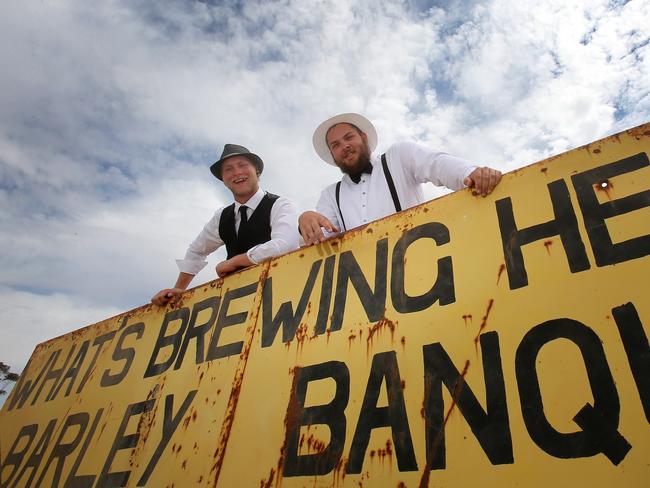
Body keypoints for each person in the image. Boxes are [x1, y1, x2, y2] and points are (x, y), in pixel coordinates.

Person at [299, 113, 502, 244]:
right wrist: (306, 220)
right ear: (332, 155)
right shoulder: (329, 196)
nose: (344, 146)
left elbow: (436, 163)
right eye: (335, 145)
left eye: (349, 137)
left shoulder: (399, 156)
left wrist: (470, 173)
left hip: (418, 265)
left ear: (364, 137)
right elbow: (324, 238)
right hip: (365, 289)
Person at [152, 144, 299, 306]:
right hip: (237, 304)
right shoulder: (221, 216)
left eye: (242, 165)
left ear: (257, 171)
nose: (236, 172)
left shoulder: (281, 205)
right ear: (223, 180)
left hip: (281, 298)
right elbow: (196, 251)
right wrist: (177, 291)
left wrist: (235, 262)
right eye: (228, 169)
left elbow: (285, 245)